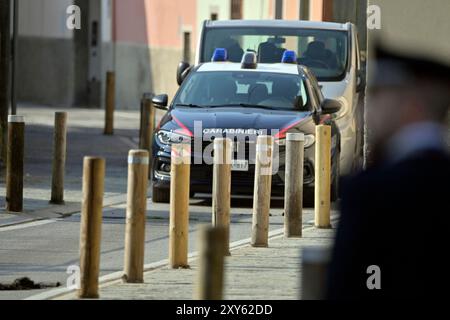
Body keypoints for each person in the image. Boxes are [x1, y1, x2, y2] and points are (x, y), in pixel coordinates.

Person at [326, 44, 450, 299]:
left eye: (378, 97)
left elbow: (344, 288)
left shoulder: (371, 191)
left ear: (411, 106)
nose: (367, 111)